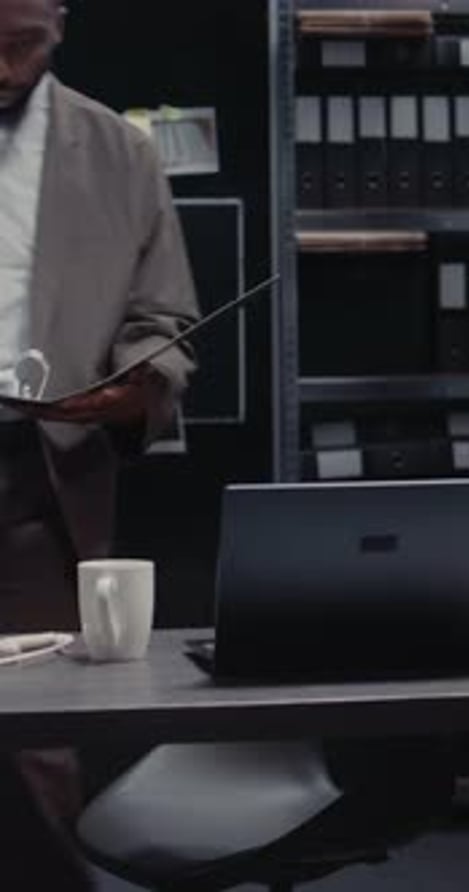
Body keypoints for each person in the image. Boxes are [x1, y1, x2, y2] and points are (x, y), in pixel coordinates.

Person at [0, 0, 198, 887]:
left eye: (19, 47)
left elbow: (160, 317)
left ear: (59, 29)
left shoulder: (121, 152)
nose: (0, 69)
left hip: (37, 472)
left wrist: (138, 383)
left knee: (39, 726)